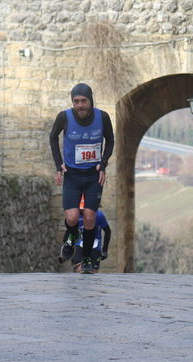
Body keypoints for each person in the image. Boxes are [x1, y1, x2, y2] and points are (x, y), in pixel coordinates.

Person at [50, 83, 114, 274]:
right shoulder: (64, 117)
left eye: (83, 101)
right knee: (71, 217)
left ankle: (86, 259)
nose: (80, 105)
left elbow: (110, 141)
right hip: (72, 175)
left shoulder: (102, 117)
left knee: (89, 217)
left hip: (93, 176)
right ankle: (69, 242)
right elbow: (53, 137)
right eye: (76, 101)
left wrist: (103, 164)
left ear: (90, 100)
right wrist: (58, 165)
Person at [70, 197, 111, 273]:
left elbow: (107, 231)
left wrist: (104, 250)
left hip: (95, 247)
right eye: (80, 209)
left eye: (83, 209)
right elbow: (71, 232)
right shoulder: (75, 215)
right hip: (80, 245)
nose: (81, 211)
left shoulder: (98, 215)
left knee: (93, 273)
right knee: (80, 271)